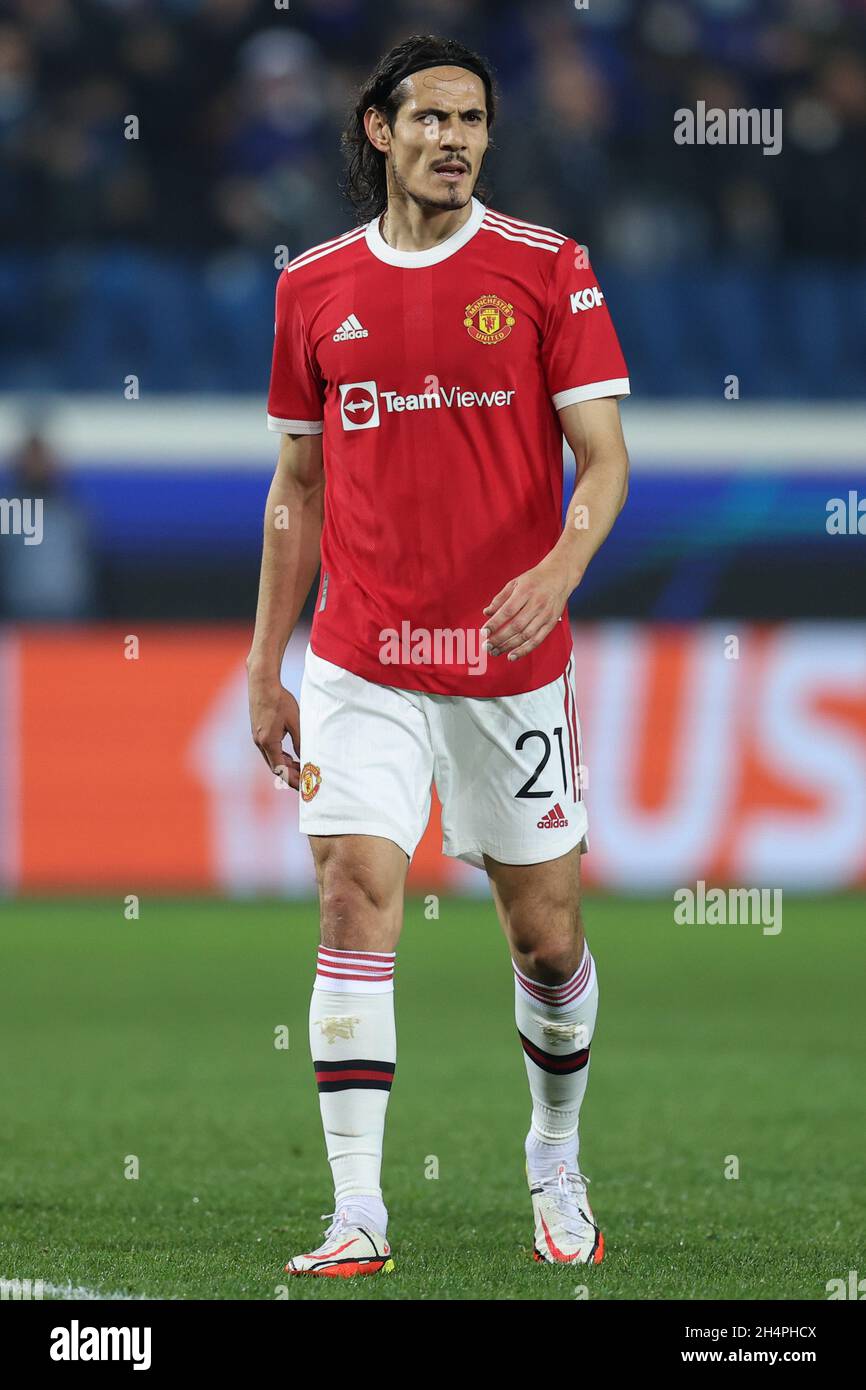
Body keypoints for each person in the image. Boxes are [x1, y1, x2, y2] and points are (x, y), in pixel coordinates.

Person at [247, 33, 630, 1276]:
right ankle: (358, 1207)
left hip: (508, 667)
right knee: (354, 892)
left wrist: (558, 569)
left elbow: (604, 458)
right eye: (430, 119)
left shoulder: (542, 268)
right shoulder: (311, 287)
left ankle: (554, 1157)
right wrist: (268, 666)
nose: (454, 139)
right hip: (361, 658)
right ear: (379, 131)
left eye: (472, 120)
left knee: (545, 940)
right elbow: (295, 482)